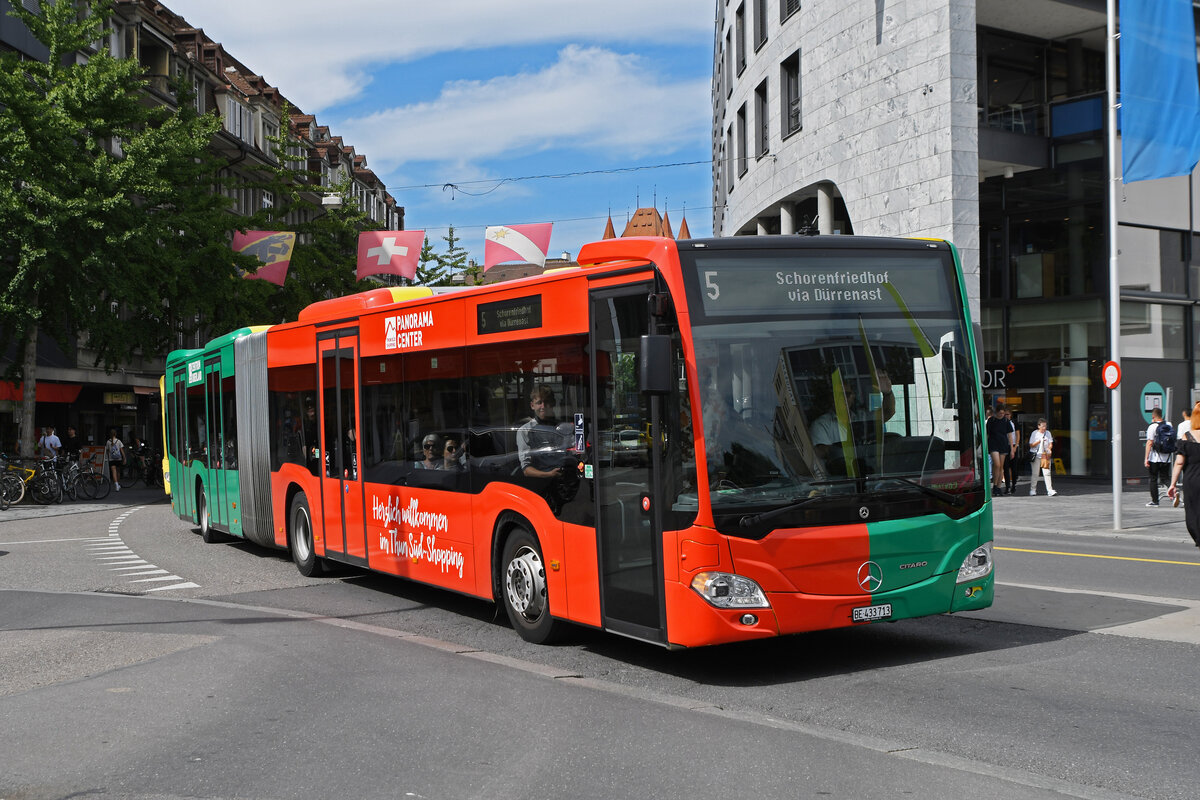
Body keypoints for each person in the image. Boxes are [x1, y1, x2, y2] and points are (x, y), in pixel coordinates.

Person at [811, 374, 895, 463]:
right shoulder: (820, 425)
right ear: (832, 398)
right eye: (838, 395)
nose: (842, 398)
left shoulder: (862, 417)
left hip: (870, 472)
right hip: (838, 475)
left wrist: (888, 392)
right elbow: (821, 453)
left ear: (853, 396)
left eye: (846, 394)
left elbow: (888, 412)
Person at [1167, 402, 1200, 548]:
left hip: (1192, 481)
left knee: (1193, 512)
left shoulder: (1187, 437)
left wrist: (1173, 484)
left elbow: (1179, 463)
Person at [517, 385, 566, 479]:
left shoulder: (564, 427)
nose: (543, 406)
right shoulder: (525, 431)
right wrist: (549, 474)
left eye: (546, 402)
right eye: (539, 403)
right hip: (539, 482)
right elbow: (526, 469)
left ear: (553, 403)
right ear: (532, 405)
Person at [1144, 408, 1172, 507]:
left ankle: (1155, 501)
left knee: (1153, 479)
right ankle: (1175, 492)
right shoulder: (1169, 425)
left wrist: (1146, 458)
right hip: (1167, 457)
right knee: (1165, 478)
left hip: (1155, 458)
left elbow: (1149, 443)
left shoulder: (1152, 427)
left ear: (1153, 417)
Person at [985, 404, 1010, 495]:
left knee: (1000, 467)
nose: (1001, 415)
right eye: (1000, 413)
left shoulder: (1006, 421)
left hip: (1003, 444)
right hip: (993, 444)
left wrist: (1012, 446)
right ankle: (995, 485)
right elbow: (987, 434)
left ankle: (998, 487)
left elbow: (1009, 434)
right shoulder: (992, 420)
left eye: (1003, 413)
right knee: (997, 464)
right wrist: (985, 445)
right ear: (996, 413)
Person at [1028, 418, 1056, 497]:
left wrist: (1049, 448)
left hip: (1045, 455)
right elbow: (1031, 445)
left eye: (1045, 426)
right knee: (1035, 473)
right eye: (1042, 426)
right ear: (1038, 426)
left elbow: (1050, 443)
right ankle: (1033, 489)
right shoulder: (1034, 433)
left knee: (1047, 473)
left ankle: (1049, 489)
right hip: (1036, 455)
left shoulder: (1048, 433)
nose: (1044, 428)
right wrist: (1039, 441)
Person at [1175, 408, 1192, 508]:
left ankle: (1187, 499)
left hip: (1184, 451)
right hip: (1195, 451)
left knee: (1186, 476)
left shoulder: (1181, 425)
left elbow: (1179, 439)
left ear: (1184, 414)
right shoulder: (1194, 423)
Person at [1001, 407, 1019, 495]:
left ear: (1010, 415)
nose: (1006, 416)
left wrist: (1015, 447)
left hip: (1014, 445)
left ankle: (1014, 484)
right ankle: (1007, 486)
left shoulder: (1014, 423)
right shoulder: (1002, 423)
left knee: (1014, 467)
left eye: (1007, 414)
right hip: (1005, 446)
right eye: (1005, 414)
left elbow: (1017, 435)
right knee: (1006, 467)